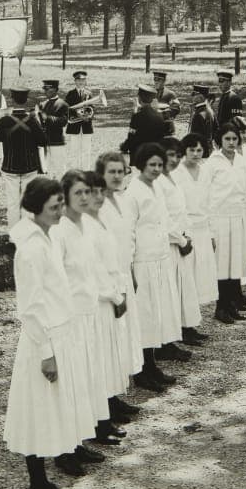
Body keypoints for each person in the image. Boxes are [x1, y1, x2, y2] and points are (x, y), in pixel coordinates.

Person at [3, 177, 91, 489]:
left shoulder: (48, 236)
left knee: (50, 409)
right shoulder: (30, 249)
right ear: (36, 208)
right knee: (37, 410)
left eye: (60, 205)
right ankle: (37, 485)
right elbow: (30, 307)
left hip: (58, 333)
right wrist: (46, 352)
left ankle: (41, 483)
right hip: (42, 339)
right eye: (54, 207)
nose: (60, 211)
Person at [55, 171, 124, 458]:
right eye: (78, 193)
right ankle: (65, 449)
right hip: (70, 318)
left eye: (88, 192)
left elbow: (95, 270)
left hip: (90, 311)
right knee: (70, 384)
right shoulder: (59, 230)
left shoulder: (86, 225)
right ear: (65, 197)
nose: (85, 198)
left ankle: (82, 437)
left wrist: (111, 294)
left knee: (87, 379)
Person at [119, 143, 180, 393]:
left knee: (157, 314)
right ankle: (142, 370)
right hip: (142, 262)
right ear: (140, 165)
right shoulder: (132, 192)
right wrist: (130, 267)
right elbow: (128, 233)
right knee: (144, 316)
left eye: (159, 165)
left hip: (159, 258)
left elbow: (162, 221)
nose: (156, 169)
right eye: (151, 165)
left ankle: (152, 364)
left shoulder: (156, 187)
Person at [83, 168, 138, 425]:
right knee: (99, 358)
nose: (96, 197)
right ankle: (100, 417)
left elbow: (114, 260)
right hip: (98, 302)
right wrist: (114, 295)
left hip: (112, 296)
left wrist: (121, 289)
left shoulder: (100, 221)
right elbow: (92, 271)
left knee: (112, 353)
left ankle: (110, 401)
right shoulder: (84, 227)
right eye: (90, 193)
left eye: (99, 192)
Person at [95, 151, 146, 401]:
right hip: (107, 281)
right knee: (109, 341)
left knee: (125, 337)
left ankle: (118, 394)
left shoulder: (124, 200)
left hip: (125, 273)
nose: (117, 176)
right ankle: (107, 401)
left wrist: (132, 270)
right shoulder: (96, 206)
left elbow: (131, 238)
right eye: (111, 172)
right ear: (100, 175)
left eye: (121, 171)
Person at [203, 122, 246, 323]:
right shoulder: (212, 163)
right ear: (220, 141)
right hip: (220, 217)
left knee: (235, 260)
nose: (232, 142)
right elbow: (205, 193)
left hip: (238, 215)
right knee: (222, 262)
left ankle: (232, 303)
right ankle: (221, 306)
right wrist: (210, 226)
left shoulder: (241, 161)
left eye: (234, 139)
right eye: (227, 139)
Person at [157, 137, 206, 350]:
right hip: (168, 243)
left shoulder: (173, 178)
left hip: (181, 239)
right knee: (169, 293)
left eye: (178, 155)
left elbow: (180, 210)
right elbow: (164, 218)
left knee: (184, 287)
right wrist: (180, 238)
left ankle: (186, 327)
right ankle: (167, 341)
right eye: (170, 155)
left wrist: (187, 235)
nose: (175, 160)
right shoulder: (158, 181)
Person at [173, 133, 219, 312]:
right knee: (186, 277)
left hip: (202, 227)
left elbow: (210, 203)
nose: (196, 154)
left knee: (200, 276)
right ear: (184, 150)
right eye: (192, 150)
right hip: (186, 229)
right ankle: (183, 324)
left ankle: (192, 321)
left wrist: (211, 232)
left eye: (199, 150)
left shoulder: (205, 170)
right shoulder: (177, 173)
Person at [0, 86, 48, 230]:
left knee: (12, 204)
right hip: (29, 167)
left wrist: (2, 121)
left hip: (9, 166)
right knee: (28, 202)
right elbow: (43, 141)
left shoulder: (4, 121)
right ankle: (27, 233)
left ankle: (13, 235)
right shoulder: (32, 121)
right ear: (26, 100)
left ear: (12, 99)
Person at [120, 84, 169, 167]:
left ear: (139, 98)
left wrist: (124, 147)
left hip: (139, 155)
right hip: (154, 154)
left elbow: (131, 137)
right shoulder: (159, 115)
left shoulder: (137, 116)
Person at [64, 71, 95, 172]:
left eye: (83, 80)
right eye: (79, 80)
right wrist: (77, 114)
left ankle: (86, 171)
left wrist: (88, 117)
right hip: (74, 127)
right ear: (75, 81)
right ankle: (75, 171)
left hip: (86, 126)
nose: (81, 82)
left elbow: (92, 109)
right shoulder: (70, 94)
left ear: (85, 81)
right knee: (74, 151)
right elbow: (66, 109)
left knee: (87, 151)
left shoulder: (89, 93)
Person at [38, 80, 70, 178]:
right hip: (45, 140)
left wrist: (46, 118)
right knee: (47, 168)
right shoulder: (42, 104)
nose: (45, 91)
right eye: (45, 89)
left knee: (59, 167)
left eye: (48, 89)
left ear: (55, 90)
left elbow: (63, 121)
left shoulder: (62, 104)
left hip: (57, 141)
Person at [213, 71, 243, 146]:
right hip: (222, 134)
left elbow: (236, 120)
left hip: (229, 135)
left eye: (222, 81)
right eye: (219, 81)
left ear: (229, 82)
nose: (220, 84)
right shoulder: (224, 96)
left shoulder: (234, 98)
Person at [188, 85, 215, 157]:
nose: (192, 97)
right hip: (209, 149)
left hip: (200, 152)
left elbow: (194, 137)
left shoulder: (199, 114)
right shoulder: (210, 110)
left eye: (194, 94)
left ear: (201, 97)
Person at [152, 71, 181, 135]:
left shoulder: (170, 94)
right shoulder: (150, 93)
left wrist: (163, 113)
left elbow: (176, 108)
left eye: (159, 80)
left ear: (164, 81)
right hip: (152, 126)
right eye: (154, 79)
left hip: (166, 127)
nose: (156, 82)